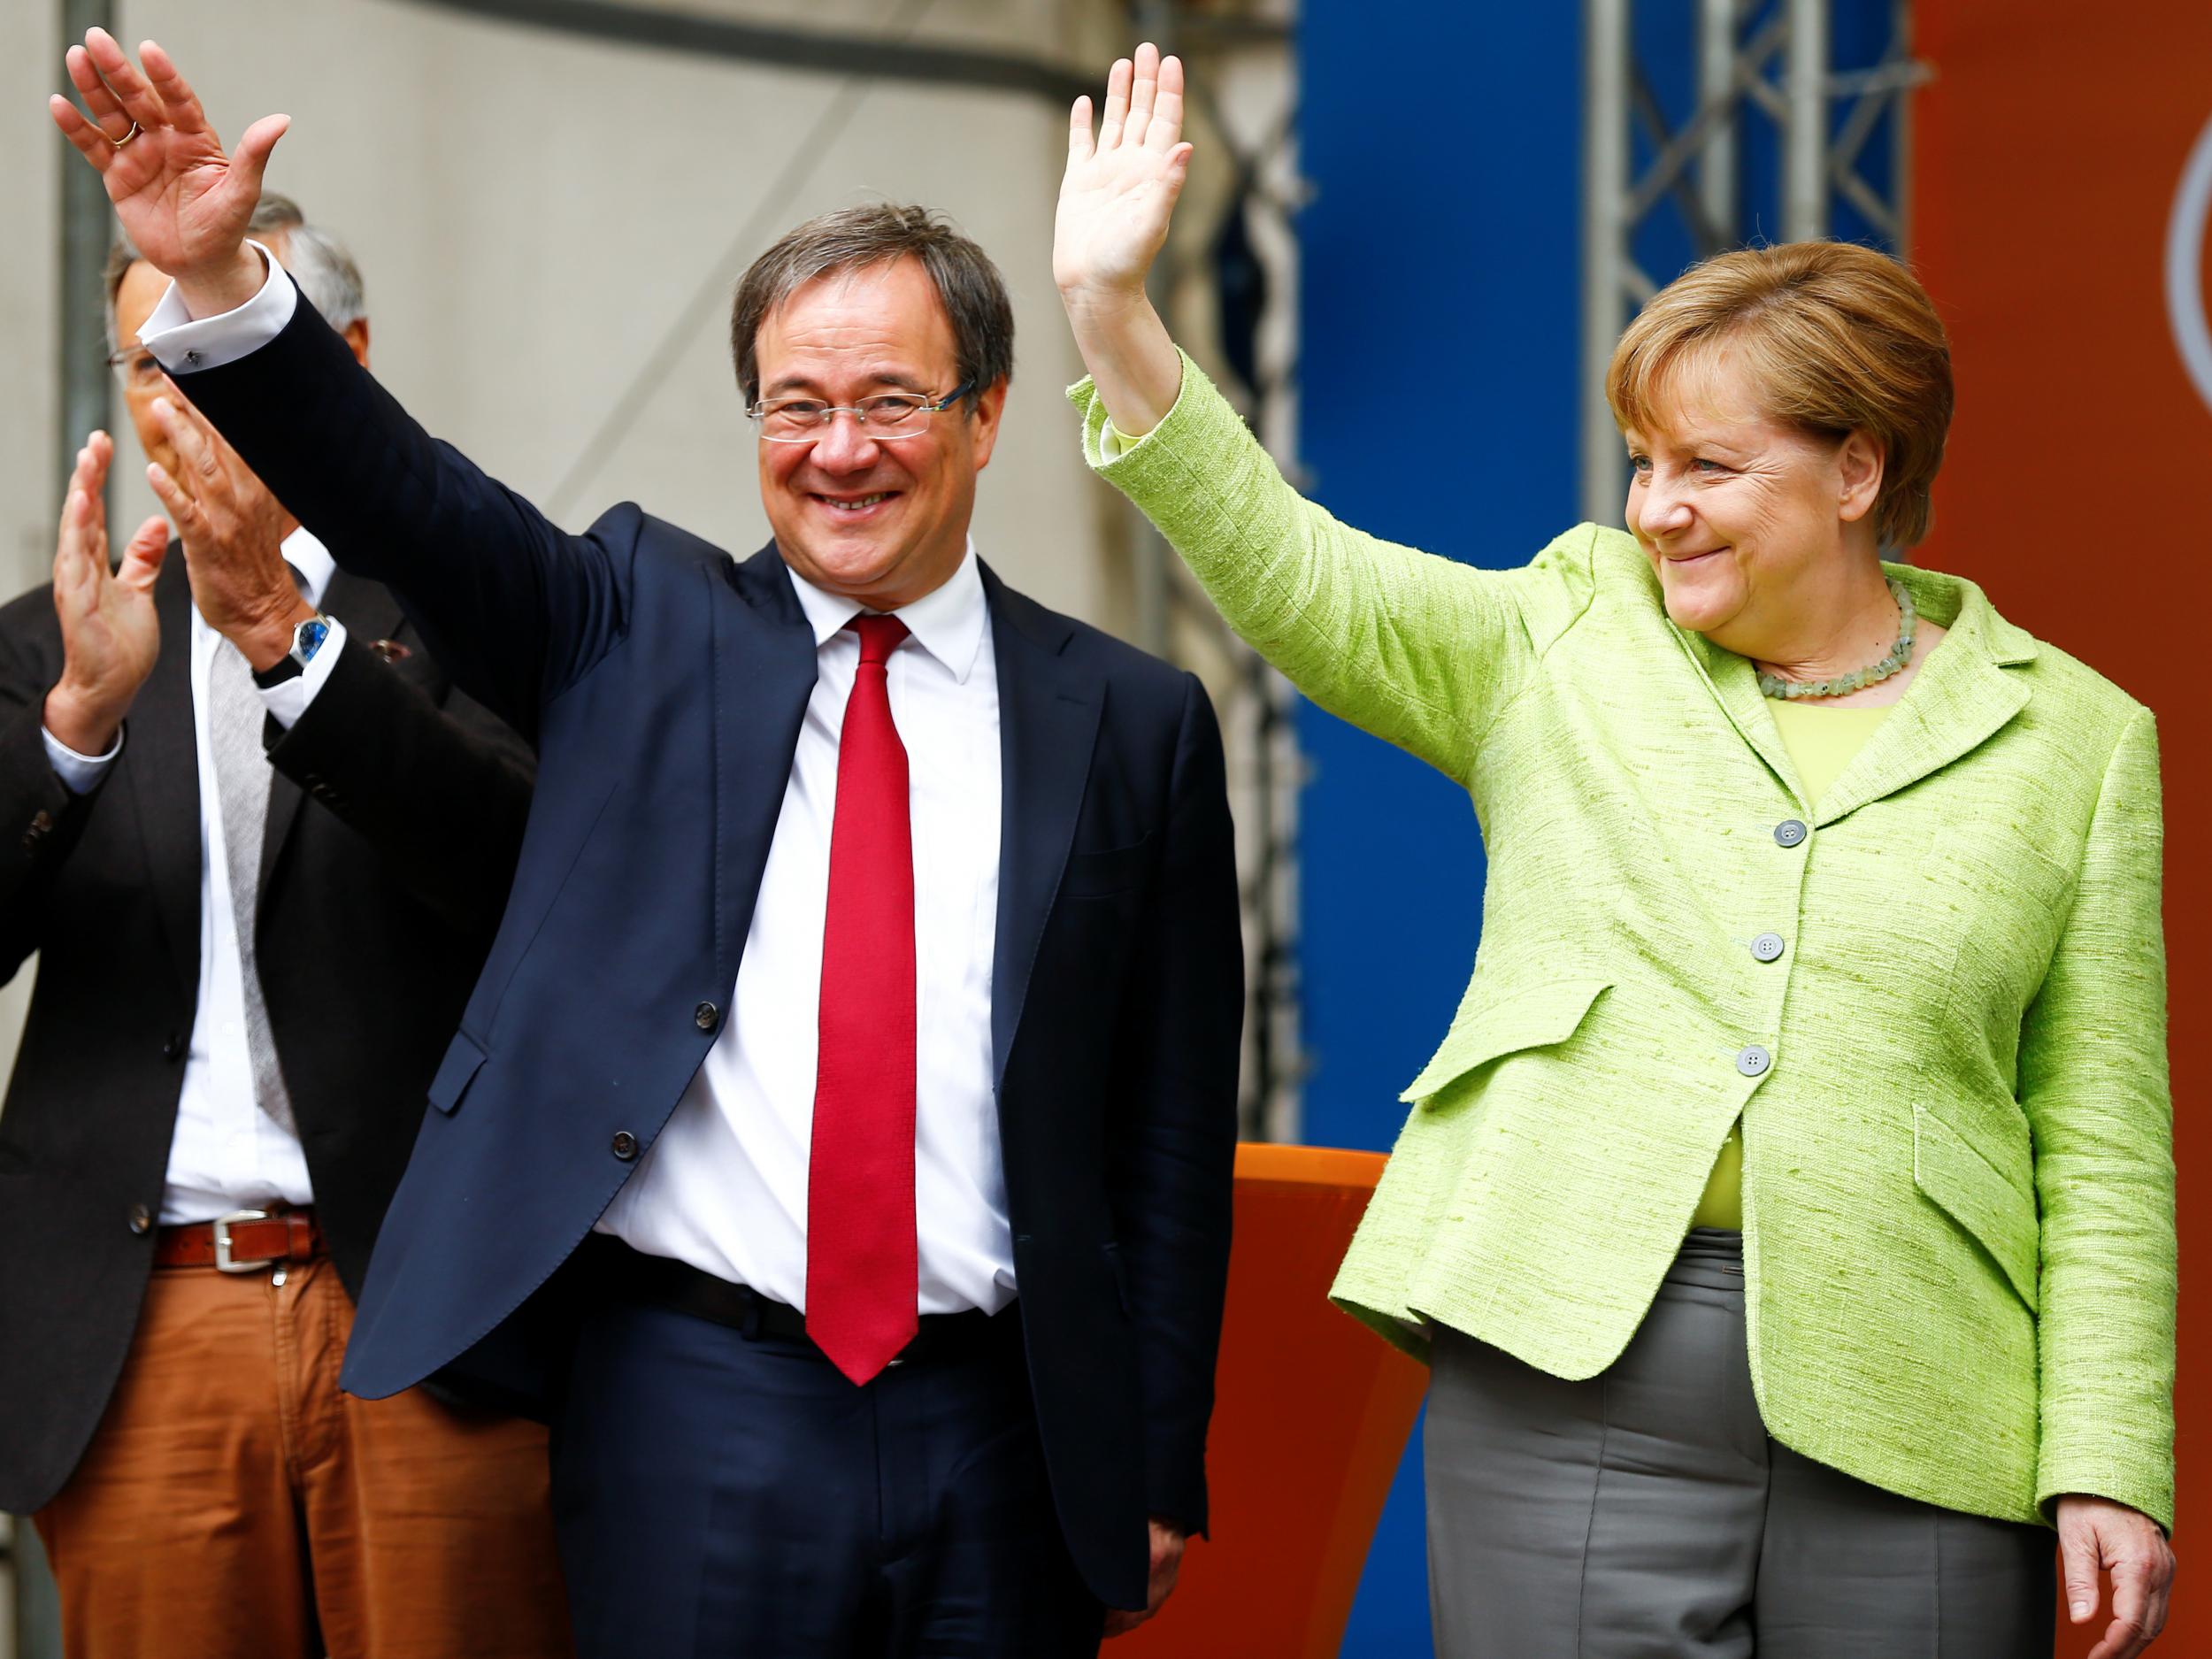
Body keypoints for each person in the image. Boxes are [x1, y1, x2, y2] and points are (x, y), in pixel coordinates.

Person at [48, 30, 1243, 1659]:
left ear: (987, 414)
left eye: (891, 401)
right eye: (797, 405)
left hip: (1007, 1423)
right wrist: (216, 279)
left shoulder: (1132, 718)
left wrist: (1155, 1449)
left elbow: (1166, 1131)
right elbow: (404, 492)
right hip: (695, 1402)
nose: (841, 449)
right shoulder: (633, 621)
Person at [1050, 42, 2175, 1659]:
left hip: (1929, 1401)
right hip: (1573, 1364)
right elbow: (1301, 573)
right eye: (1646, 462)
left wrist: (2110, 1457)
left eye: (1711, 467)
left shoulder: (2075, 736)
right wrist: (1113, 316)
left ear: (1861, 471)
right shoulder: (1567, 627)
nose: (1656, 510)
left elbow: (2105, 1141)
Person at [0, 193, 569, 1658]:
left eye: (227, 344)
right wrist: (74, 729)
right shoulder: (50, 641)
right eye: (151, 361)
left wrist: (282, 641)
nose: (187, 391)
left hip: (428, 1313)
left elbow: (515, 867)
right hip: (147, 1322)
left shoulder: (478, 607)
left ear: (346, 360)